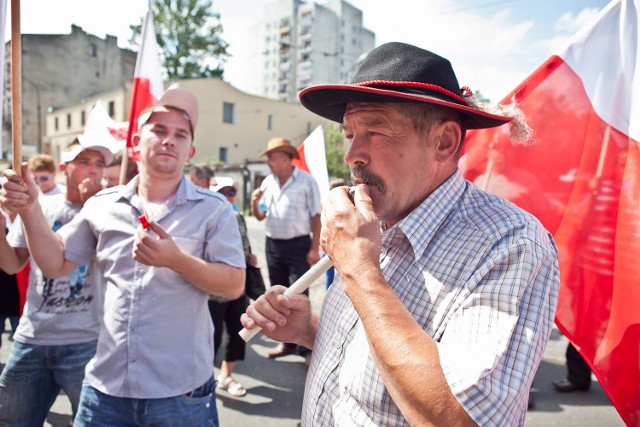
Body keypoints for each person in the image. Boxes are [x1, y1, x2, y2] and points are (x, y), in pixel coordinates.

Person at [241, 42, 560, 426]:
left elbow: (461, 418)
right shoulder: (373, 216)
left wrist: (360, 270)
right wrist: (309, 329)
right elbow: (373, 343)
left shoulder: (511, 244)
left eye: (376, 131)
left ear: (444, 142)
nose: (351, 155)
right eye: (349, 133)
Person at [0, 88, 246, 427]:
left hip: (180, 392)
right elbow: (55, 263)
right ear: (135, 143)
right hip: (106, 391)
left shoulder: (214, 210)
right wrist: (29, 209)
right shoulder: (103, 205)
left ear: (190, 151)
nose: (168, 141)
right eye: (158, 130)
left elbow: (234, 285)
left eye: (180, 135)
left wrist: (176, 259)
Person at [0, 138, 111, 425]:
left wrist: (95, 206)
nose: (93, 170)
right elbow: (13, 264)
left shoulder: (110, 209)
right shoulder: (40, 206)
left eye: (99, 164)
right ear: (65, 167)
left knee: (90, 421)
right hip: (32, 335)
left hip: (85, 340)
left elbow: (108, 261)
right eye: (84, 162)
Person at [250, 137, 321, 362]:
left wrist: (314, 248)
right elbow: (260, 216)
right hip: (273, 244)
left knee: (298, 294)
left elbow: (315, 216)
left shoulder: (306, 181)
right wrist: (253, 203)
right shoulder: (267, 183)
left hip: (298, 244)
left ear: (285, 158)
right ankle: (287, 343)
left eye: (272, 158)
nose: (269, 162)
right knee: (278, 294)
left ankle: (306, 347)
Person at [209, 177, 256, 397]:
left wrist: (250, 256)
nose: (228, 196)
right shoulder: (205, 217)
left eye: (231, 192)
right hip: (212, 289)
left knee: (239, 333)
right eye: (223, 192)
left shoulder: (237, 216)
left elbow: (245, 243)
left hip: (238, 286)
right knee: (212, 336)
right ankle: (205, 378)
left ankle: (226, 375)